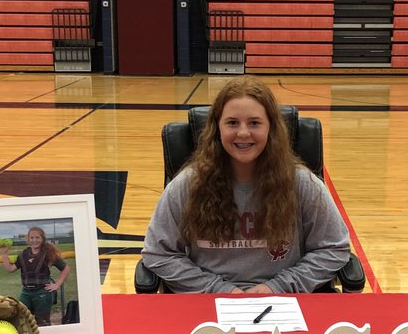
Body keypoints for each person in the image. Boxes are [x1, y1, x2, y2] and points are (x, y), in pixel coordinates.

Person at [140, 78, 350, 294]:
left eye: (254, 123)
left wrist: (278, 287)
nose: (243, 133)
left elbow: (334, 248)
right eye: (232, 123)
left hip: (282, 300)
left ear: (271, 128)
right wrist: (218, 289)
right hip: (208, 301)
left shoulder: (301, 183)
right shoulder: (188, 185)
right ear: (217, 128)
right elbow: (158, 253)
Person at [0, 227, 70, 325]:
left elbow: (65, 268)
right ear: (28, 239)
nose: (34, 240)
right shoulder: (24, 254)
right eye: (32, 238)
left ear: (42, 239)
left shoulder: (47, 253)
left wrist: (57, 284)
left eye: (37, 237)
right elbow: (10, 269)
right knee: (21, 318)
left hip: (42, 292)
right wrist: (4, 254)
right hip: (26, 292)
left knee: (42, 322)